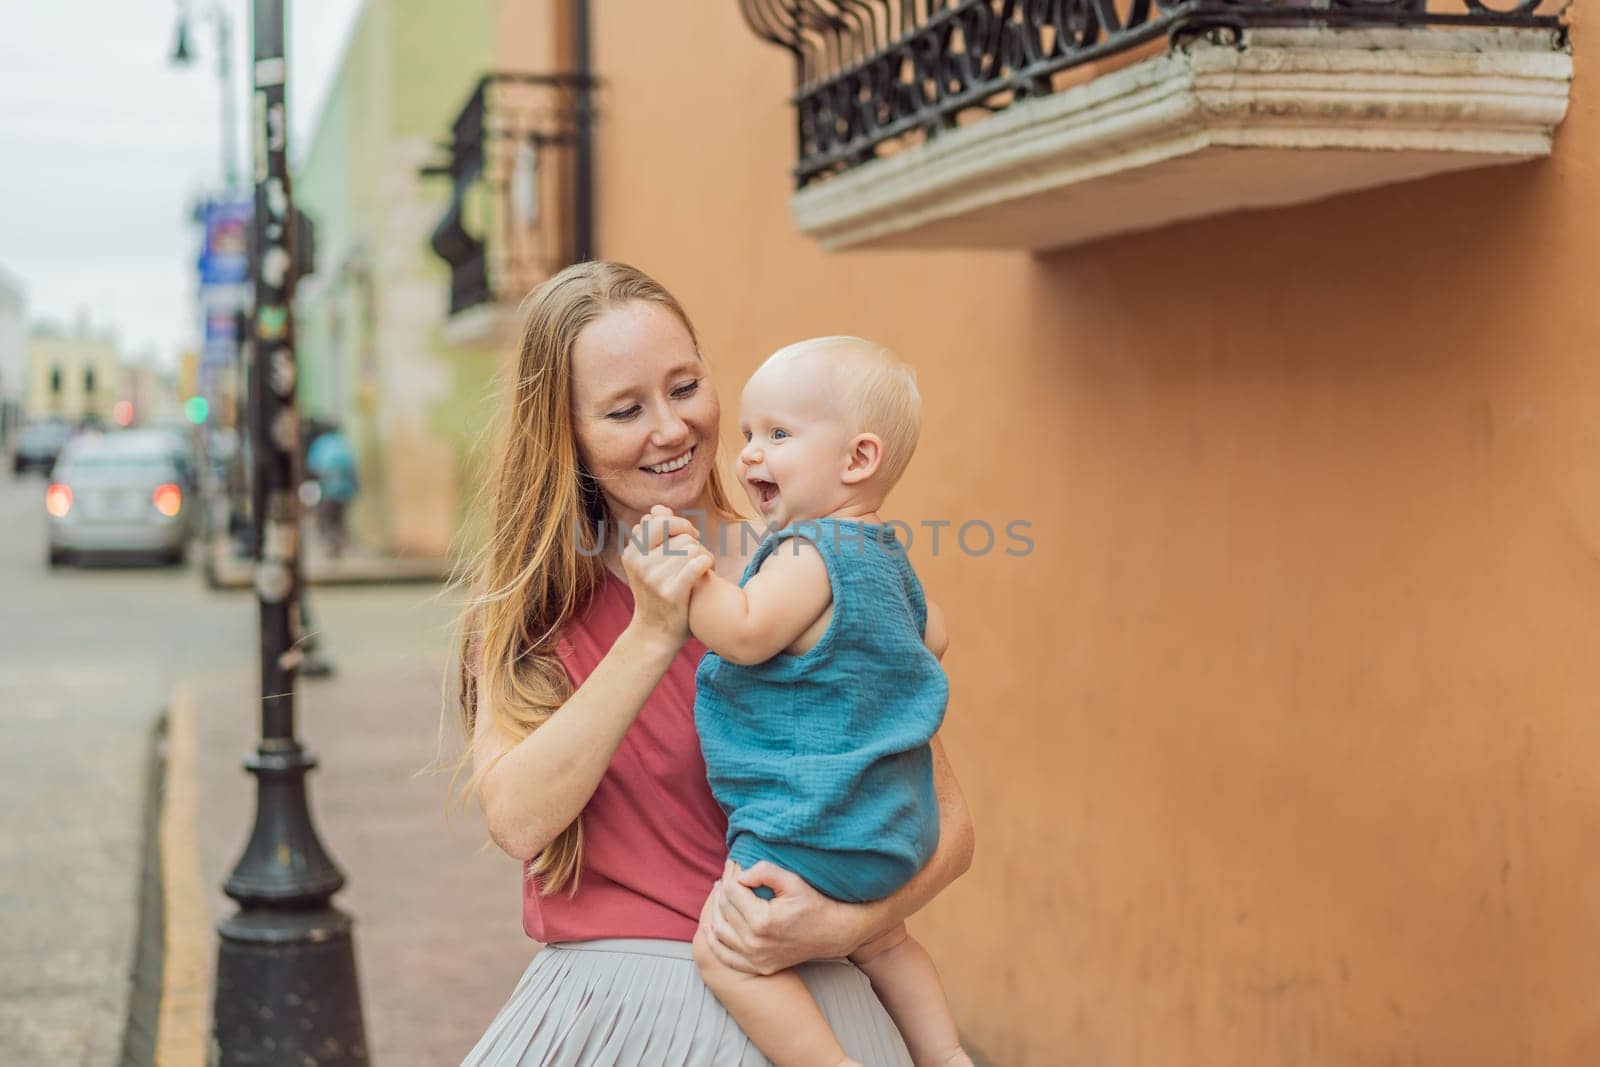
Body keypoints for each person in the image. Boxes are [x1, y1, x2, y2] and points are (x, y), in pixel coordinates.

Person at [453, 262, 974, 1065]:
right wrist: (654, 630)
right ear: (570, 436)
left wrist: (845, 925)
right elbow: (520, 818)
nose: (671, 429)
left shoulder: (804, 570)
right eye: (625, 409)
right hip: (606, 1021)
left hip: (800, 1004)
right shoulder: (531, 609)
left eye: (686, 386)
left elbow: (949, 824)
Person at [683, 337, 969, 1066]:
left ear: (857, 460)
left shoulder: (808, 553)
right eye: (748, 434)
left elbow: (744, 633)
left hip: (811, 830)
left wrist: (689, 579)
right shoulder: (890, 558)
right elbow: (934, 635)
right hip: (893, 834)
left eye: (778, 434)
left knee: (727, 955)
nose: (749, 455)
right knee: (889, 941)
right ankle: (948, 1056)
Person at [306, 423, 358, 558]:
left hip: (328, 490)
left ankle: (331, 544)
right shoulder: (344, 444)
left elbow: (314, 467)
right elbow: (352, 468)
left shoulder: (321, 444)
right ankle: (337, 544)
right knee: (339, 519)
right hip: (345, 491)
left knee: (327, 519)